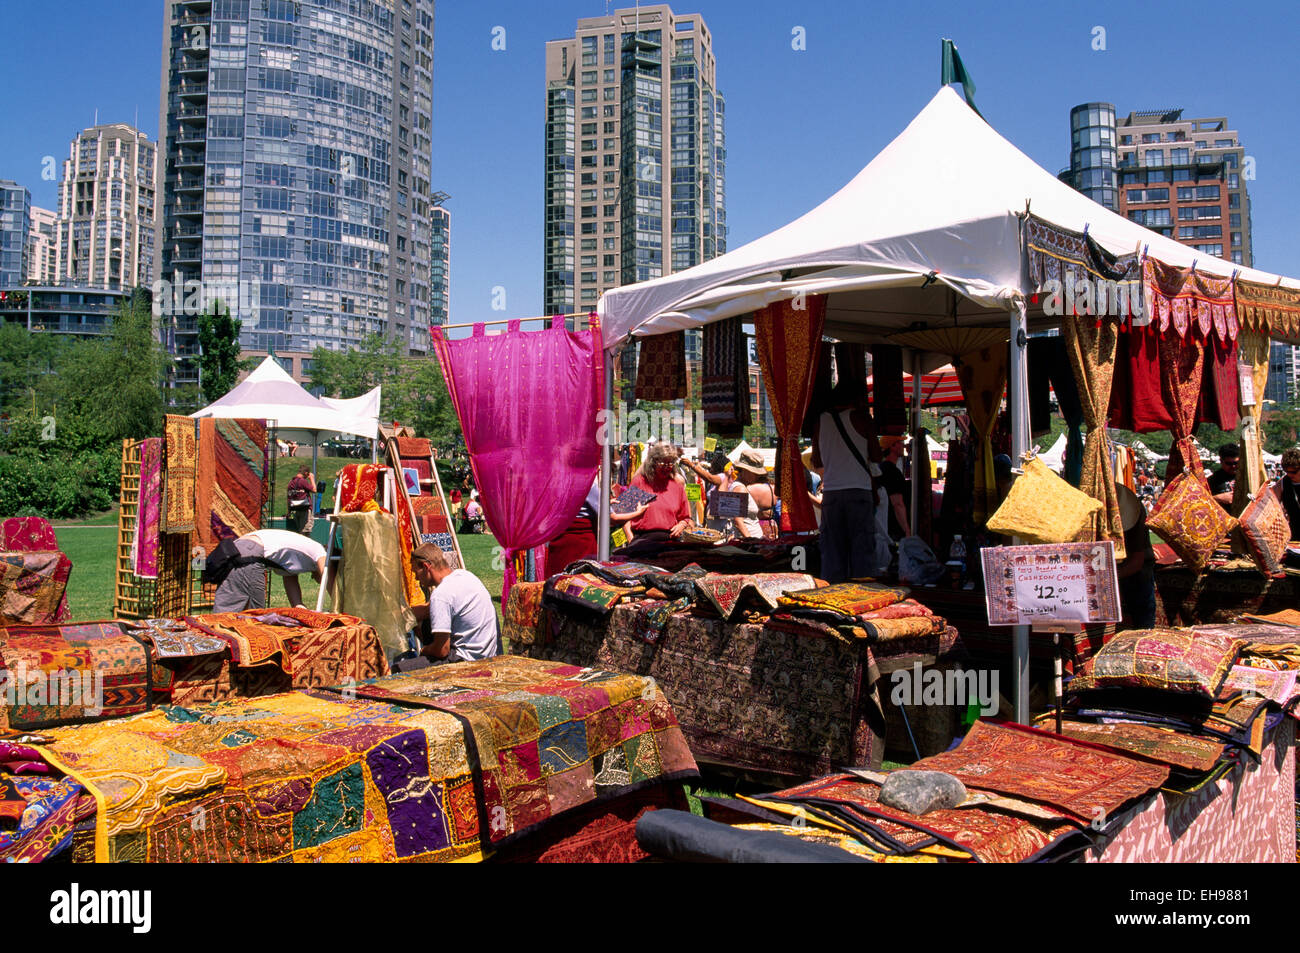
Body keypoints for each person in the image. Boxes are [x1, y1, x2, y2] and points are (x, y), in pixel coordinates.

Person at [811, 381, 879, 583]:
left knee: (832, 552)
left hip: (831, 493)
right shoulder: (861, 418)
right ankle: (862, 598)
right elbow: (876, 456)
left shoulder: (820, 422)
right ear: (855, 399)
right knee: (862, 552)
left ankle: (832, 600)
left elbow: (817, 460)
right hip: (859, 491)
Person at [408, 544, 501, 664]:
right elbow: (428, 609)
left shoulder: (441, 594)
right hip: (488, 654)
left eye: (416, 573)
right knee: (427, 624)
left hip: (468, 661)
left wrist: (424, 650)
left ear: (426, 567)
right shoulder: (465, 576)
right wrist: (404, 615)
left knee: (399, 669)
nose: (416, 579)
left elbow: (442, 650)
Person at [206, 528, 327, 612]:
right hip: (251, 555)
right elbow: (329, 580)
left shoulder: (292, 561)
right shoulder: (320, 552)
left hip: (236, 550)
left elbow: (291, 580)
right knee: (255, 616)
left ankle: (214, 645)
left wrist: (299, 606)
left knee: (224, 613)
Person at [627, 441, 693, 539]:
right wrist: (630, 538)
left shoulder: (677, 486)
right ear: (653, 462)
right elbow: (624, 514)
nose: (667, 467)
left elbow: (686, 517)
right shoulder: (640, 482)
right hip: (642, 539)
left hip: (670, 540)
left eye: (670, 463)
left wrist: (682, 525)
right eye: (663, 463)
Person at [1115, 485, 1156, 629]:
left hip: (1137, 578)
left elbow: (1137, 561)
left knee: (1142, 625)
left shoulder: (1134, 511)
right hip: (1119, 572)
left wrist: (1106, 579)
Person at [729, 448, 777, 539]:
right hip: (747, 542)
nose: (757, 475)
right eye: (754, 472)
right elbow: (738, 521)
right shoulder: (740, 488)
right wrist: (750, 540)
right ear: (744, 470)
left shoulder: (741, 487)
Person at [877, 435, 910, 541]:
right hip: (893, 531)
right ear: (893, 446)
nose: (903, 445)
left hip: (883, 526)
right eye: (900, 442)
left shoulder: (880, 468)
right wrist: (907, 530)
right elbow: (897, 504)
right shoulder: (892, 472)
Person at [1272, 448, 1300, 541]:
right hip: (1294, 534)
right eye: (1287, 471)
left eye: (1294, 472)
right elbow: (1272, 504)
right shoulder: (1282, 483)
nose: (1289, 475)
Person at [1208, 443, 1240, 507]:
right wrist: (1217, 498)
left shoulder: (1246, 477)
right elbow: (1201, 500)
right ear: (1221, 461)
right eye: (1229, 463)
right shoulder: (1213, 480)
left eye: (1236, 463)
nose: (1233, 466)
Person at [286, 465, 316, 534]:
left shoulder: (291, 482)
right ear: (305, 473)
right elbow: (314, 490)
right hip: (305, 510)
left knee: (299, 532)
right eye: (308, 474)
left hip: (296, 509)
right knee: (305, 532)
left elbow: (288, 497)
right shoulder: (303, 481)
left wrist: (289, 511)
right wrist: (312, 478)